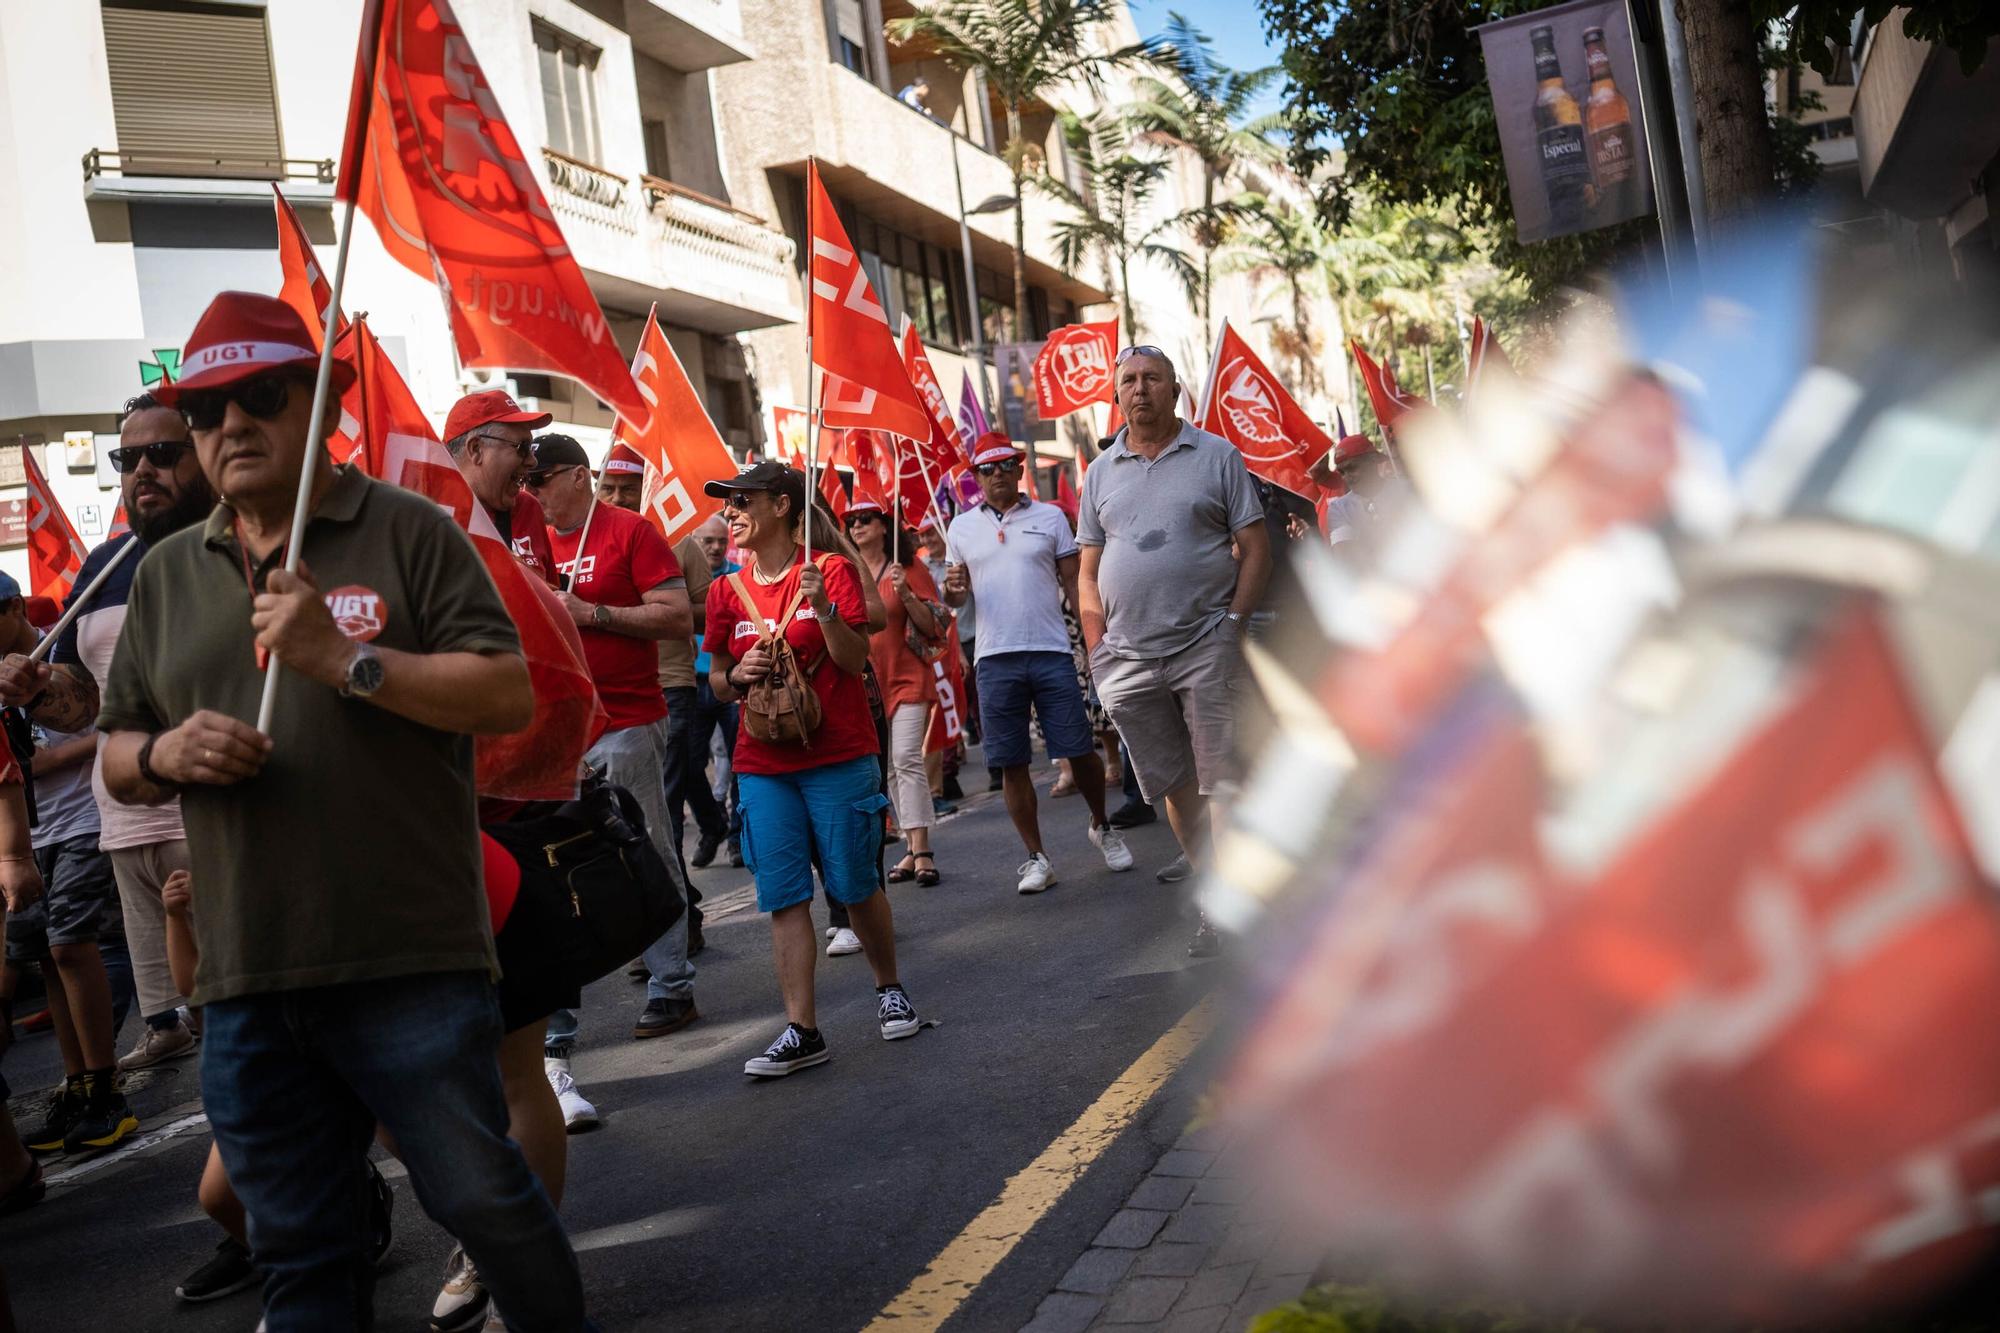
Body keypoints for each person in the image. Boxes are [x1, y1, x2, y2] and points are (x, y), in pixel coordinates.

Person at [95, 291, 588, 1329]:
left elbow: (507, 695)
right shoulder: (167, 574)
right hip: (247, 976)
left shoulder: (407, 528)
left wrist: (344, 661)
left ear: (321, 403)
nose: (231, 426)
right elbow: (117, 756)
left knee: (484, 1203)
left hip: (407, 957)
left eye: (260, 397)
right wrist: (165, 749)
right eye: (206, 409)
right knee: (301, 1249)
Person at [0, 392, 210, 1073]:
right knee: (183, 1026)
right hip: (124, 831)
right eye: (128, 457)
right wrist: (37, 692)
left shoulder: (234, 546)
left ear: (202, 455)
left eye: (163, 453)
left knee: (244, 1024)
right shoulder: (103, 567)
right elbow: (82, 701)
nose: (142, 470)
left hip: (212, 822)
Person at [701, 462, 921, 1076]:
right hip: (761, 762)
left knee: (853, 884)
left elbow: (853, 661)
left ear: (781, 506)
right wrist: (734, 677)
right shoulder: (725, 590)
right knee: (784, 896)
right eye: (726, 503)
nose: (730, 513)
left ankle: (889, 987)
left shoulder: (832, 571)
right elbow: (716, 681)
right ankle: (803, 1029)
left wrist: (824, 609)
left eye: (741, 500)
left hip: (839, 753)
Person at [1077, 347, 1270, 957]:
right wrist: (1097, 646)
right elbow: (1087, 570)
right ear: (1116, 395)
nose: (1141, 390)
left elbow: (1256, 547)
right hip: (1127, 659)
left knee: (1220, 781)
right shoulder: (1099, 471)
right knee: (1174, 786)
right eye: (1129, 381)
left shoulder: (1217, 456)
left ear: (1175, 390)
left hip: (1204, 643)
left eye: (1152, 379)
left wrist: (1233, 624)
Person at [526, 434, 699, 1044]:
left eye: (540, 480)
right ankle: (554, 1023)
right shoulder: (523, 539)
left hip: (624, 720)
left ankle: (671, 986)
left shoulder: (630, 531)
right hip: (550, 730)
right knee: (550, 869)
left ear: (578, 476)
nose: (531, 491)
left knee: (647, 847)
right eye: (525, 480)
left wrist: (594, 613)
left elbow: (678, 617)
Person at [944, 434, 1133, 893]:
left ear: (1018, 468)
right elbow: (955, 598)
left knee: (1079, 747)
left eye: (1004, 466)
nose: (996, 476)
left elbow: (1074, 581)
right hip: (994, 657)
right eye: (986, 470)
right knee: (1011, 762)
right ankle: (1036, 857)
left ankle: (1100, 825)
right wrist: (953, 589)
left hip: (1050, 649)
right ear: (976, 479)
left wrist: (1093, 640)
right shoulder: (960, 528)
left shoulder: (1050, 517)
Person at [0, 572, 134, 1156]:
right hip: (28, 835)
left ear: (15, 607)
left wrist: (41, 764)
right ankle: (77, 1083)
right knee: (47, 959)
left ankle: (106, 1089)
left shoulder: (59, 645)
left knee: (70, 947)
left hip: (82, 820)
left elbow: (96, 719)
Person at [592, 444, 728, 933]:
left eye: (629, 489)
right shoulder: (586, 540)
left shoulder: (674, 540)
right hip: (601, 698)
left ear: (645, 489)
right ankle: (674, 904)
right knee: (617, 814)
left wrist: (649, 608)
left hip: (668, 684)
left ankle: (676, 922)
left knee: (661, 807)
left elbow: (706, 610)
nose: (619, 497)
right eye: (609, 487)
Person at [845, 497, 948, 885]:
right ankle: (908, 846)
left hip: (907, 677)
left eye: (866, 519)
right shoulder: (848, 572)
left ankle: (922, 850)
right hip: (869, 684)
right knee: (886, 767)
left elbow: (935, 625)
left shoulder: (906, 568)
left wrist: (905, 593)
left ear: (884, 526)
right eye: (851, 520)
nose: (857, 526)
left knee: (906, 758)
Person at [443, 389, 558, 587]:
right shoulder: (431, 517)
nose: (532, 461)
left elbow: (553, 599)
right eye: (522, 447)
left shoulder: (527, 509)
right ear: (476, 449)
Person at [686, 514, 743, 869]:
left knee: (742, 763)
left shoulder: (738, 576)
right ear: (693, 539)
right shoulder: (678, 576)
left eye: (721, 541)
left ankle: (738, 838)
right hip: (691, 683)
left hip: (733, 680)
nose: (716, 547)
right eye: (708, 541)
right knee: (688, 764)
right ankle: (712, 825)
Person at [1320, 435, 1410, 563]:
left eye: (1352, 468)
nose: (1347, 477)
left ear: (1373, 460)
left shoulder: (1406, 491)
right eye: (1342, 472)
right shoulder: (1339, 508)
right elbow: (1346, 560)